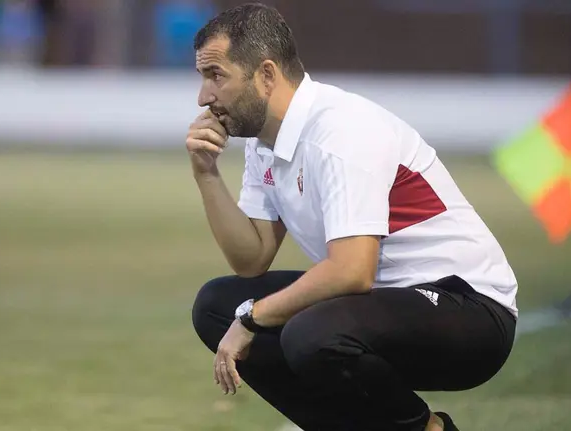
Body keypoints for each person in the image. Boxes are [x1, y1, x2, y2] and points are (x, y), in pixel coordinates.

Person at [186, 3, 518, 431]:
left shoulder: (340, 131)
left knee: (310, 333)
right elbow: (252, 260)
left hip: (469, 310)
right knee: (216, 307)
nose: (203, 97)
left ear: (266, 76)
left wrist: (253, 318)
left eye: (216, 76)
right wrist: (206, 173)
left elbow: (352, 272)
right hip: (383, 301)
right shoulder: (264, 141)